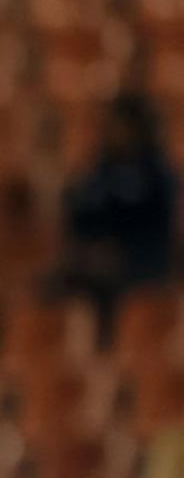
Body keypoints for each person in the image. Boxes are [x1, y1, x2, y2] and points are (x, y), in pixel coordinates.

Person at [57, 92, 177, 325]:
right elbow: (81, 218)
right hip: (95, 264)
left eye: (120, 126)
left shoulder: (157, 175)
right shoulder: (97, 171)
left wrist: (123, 254)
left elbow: (160, 229)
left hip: (143, 265)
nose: (114, 133)